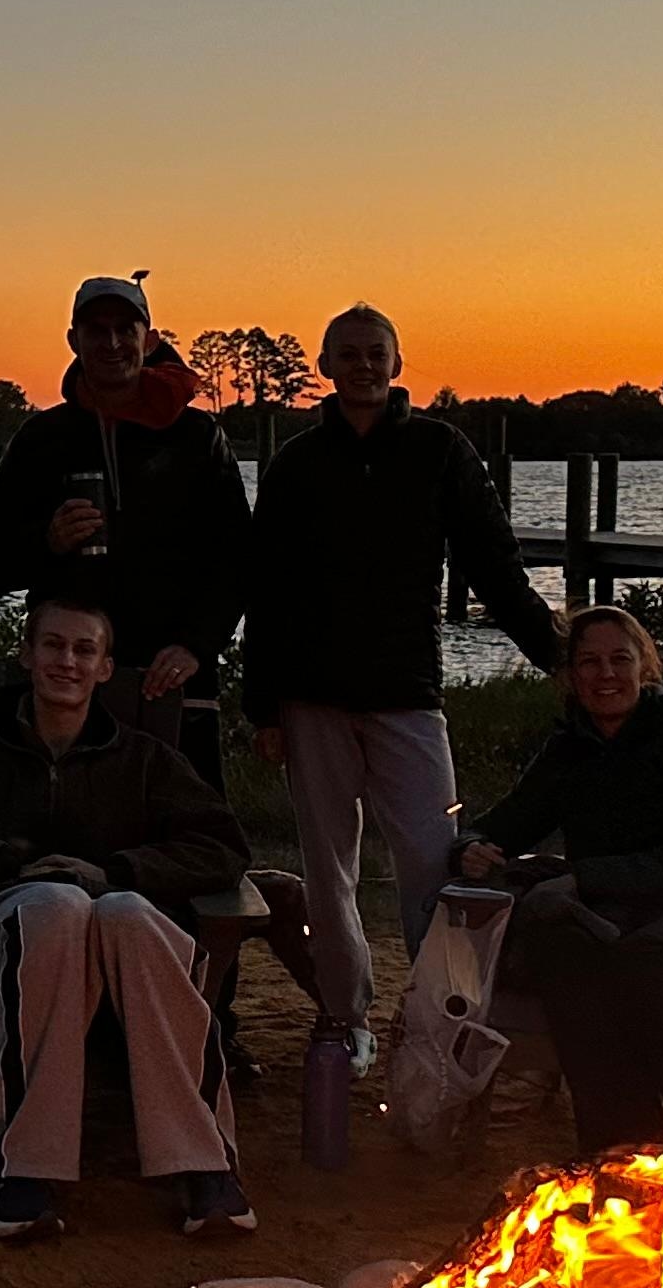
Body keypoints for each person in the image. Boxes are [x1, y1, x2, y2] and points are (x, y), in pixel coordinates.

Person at [0, 572, 257, 1243]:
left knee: (123, 910)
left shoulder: (145, 760)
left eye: (83, 650)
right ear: (26, 654)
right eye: (52, 645)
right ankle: (15, 1169)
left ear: (105, 668)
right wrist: (7, 862)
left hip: (126, 956)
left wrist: (118, 873)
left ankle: (205, 1165)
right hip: (8, 950)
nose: (65, 662)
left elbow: (223, 847)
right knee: (53, 905)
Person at [238, 302, 563, 1066]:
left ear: (397, 363)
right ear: (324, 366)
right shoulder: (296, 464)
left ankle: (432, 1020)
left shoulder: (439, 451)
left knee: (432, 862)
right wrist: (263, 706)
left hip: (408, 697)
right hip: (311, 697)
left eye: (374, 352)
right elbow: (268, 591)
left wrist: (560, 657)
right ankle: (345, 1015)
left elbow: (493, 566)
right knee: (330, 871)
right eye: (346, 353)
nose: (361, 365)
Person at [453, 602, 663, 1155]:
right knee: (561, 945)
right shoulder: (571, 749)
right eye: (589, 662)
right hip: (624, 923)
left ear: (646, 669)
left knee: (635, 961)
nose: (606, 675)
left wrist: (582, 879)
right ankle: (623, 1146)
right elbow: (508, 822)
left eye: (619, 660)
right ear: (570, 676)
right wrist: (472, 846)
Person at [0, 274, 251, 751]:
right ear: (73, 340)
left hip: (170, 670)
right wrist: (48, 540)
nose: (112, 342)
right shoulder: (41, 438)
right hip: (70, 673)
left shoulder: (197, 436)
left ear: (151, 339)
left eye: (126, 328)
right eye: (96, 329)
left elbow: (238, 556)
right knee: (72, 812)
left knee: (186, 813)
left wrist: (197, 646)